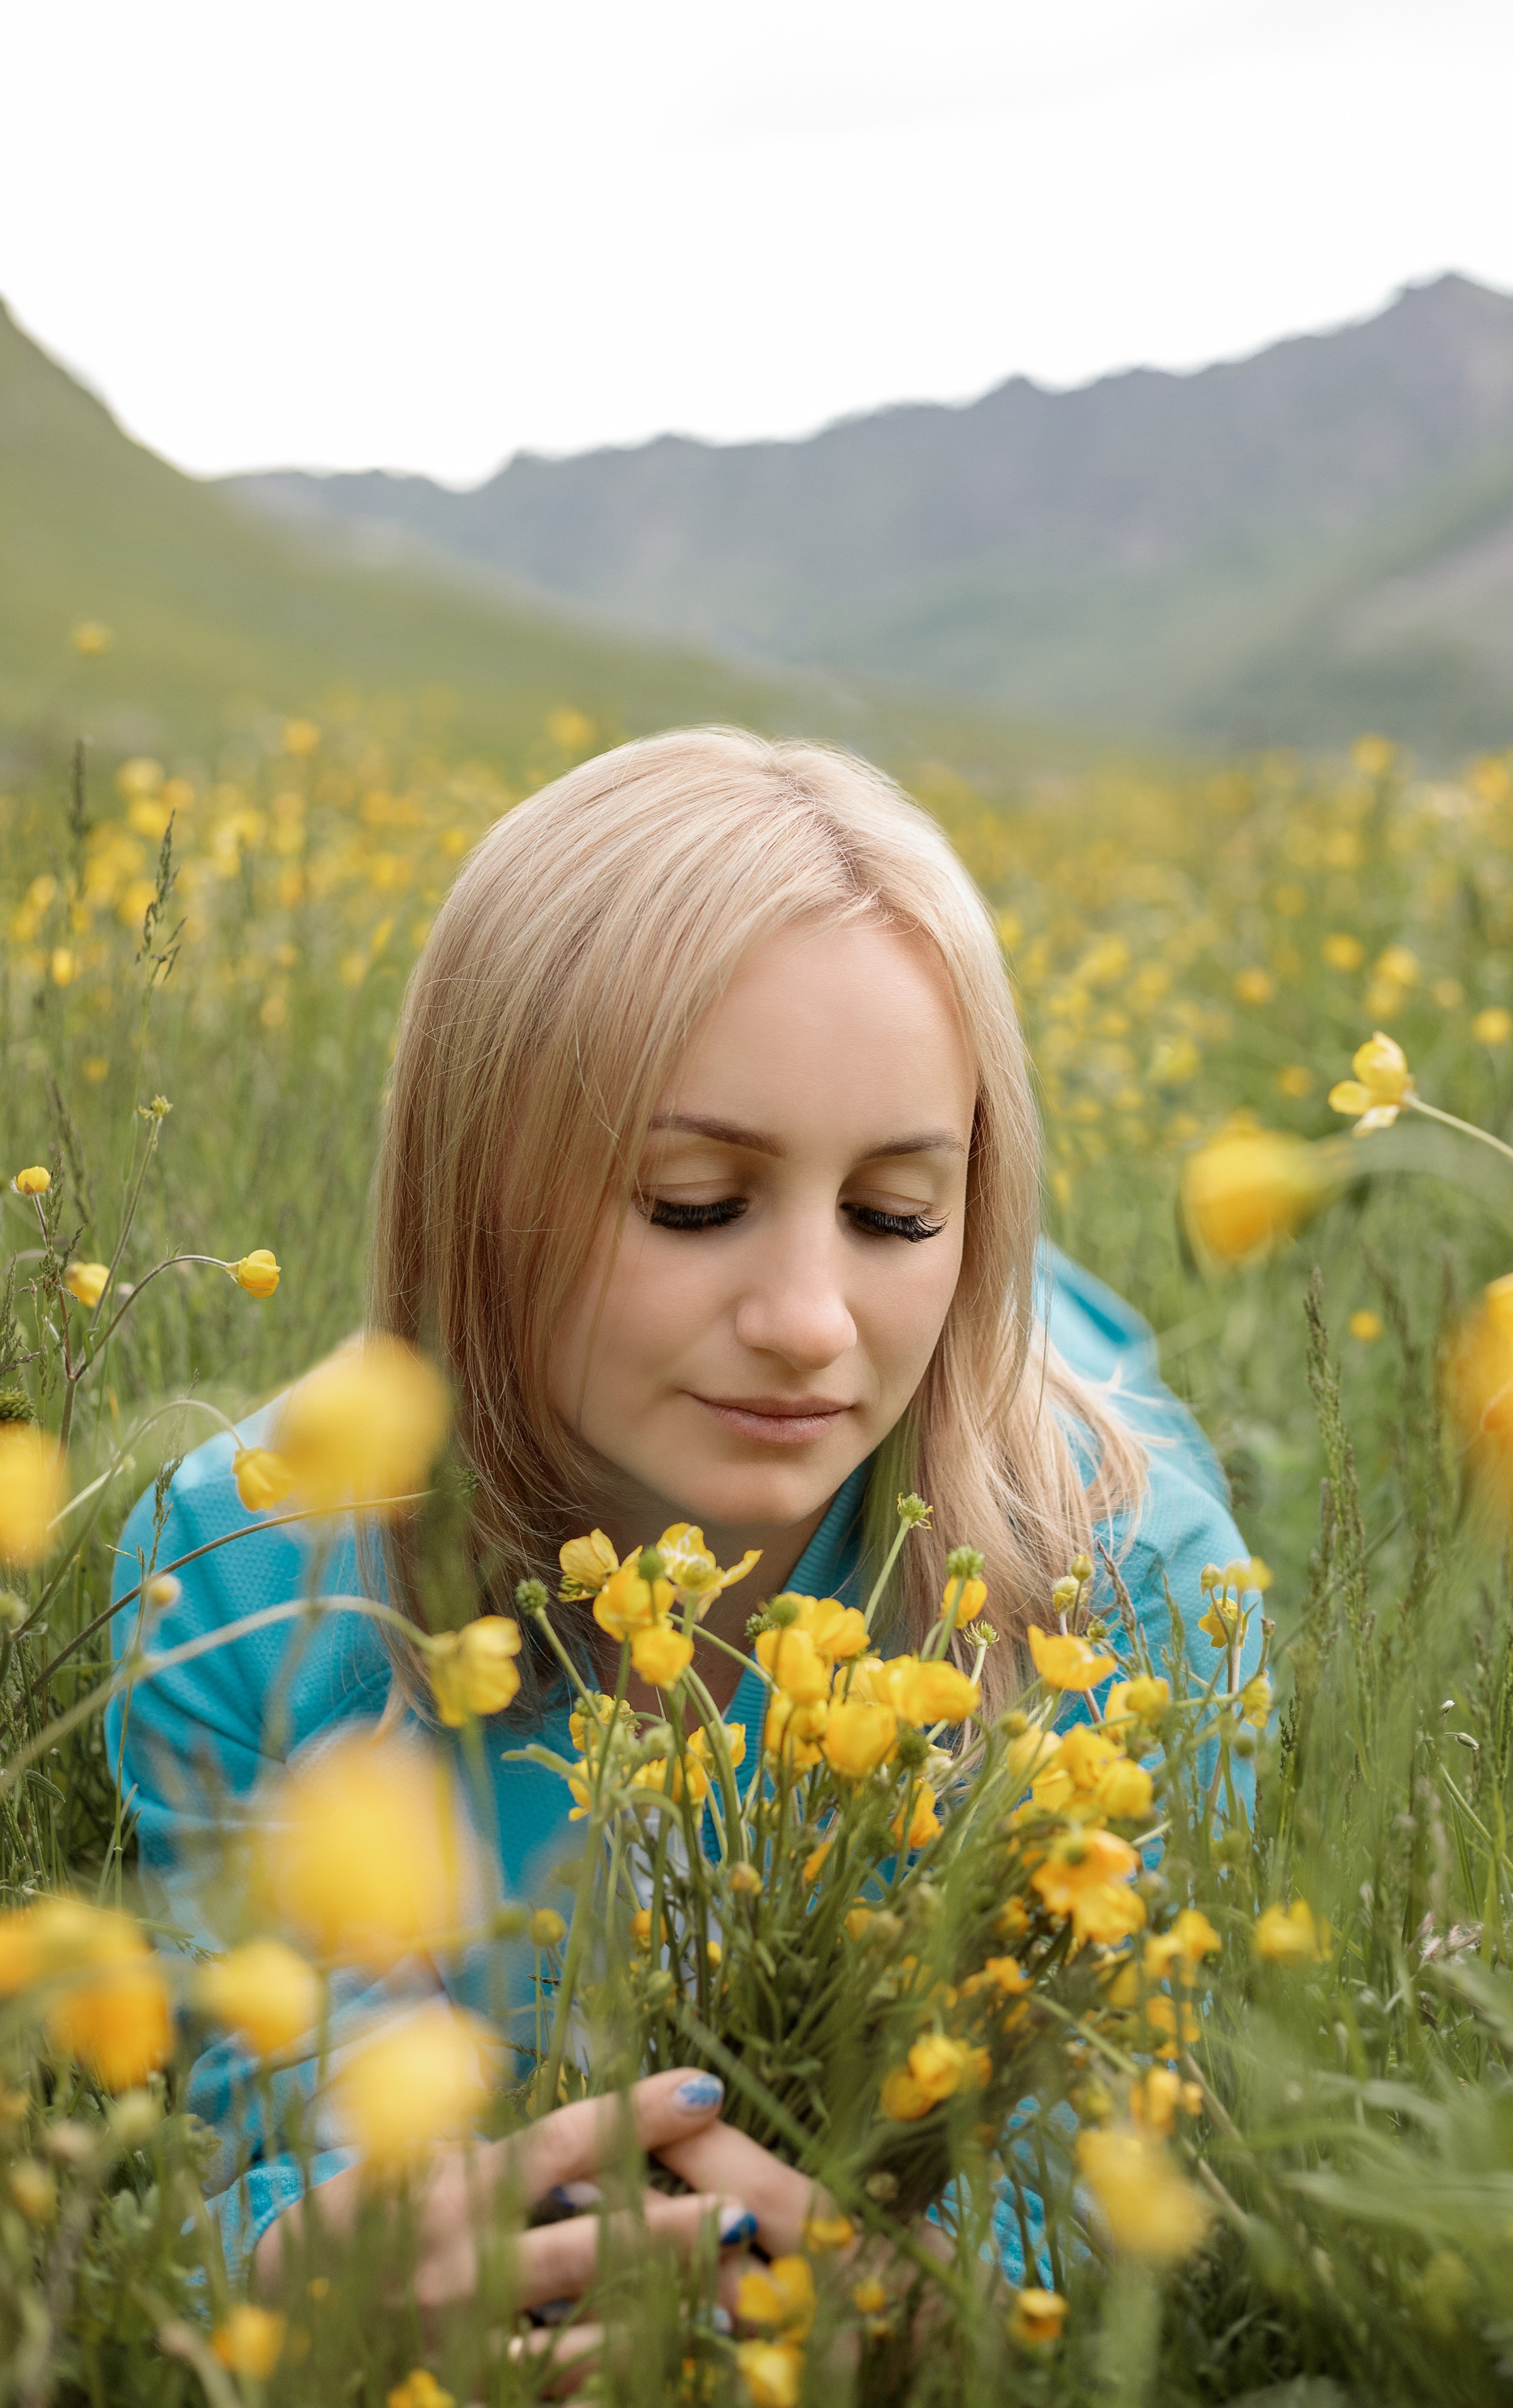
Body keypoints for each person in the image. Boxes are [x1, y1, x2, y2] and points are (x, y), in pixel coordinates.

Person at [107, 727, 1255, 2332]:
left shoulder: (1130, 1589)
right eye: (693, 1204)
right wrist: (336, 2267)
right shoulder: (245, 1587)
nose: (804, 1321)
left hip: (1015, 1425)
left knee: (1061, 1385)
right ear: (469, 1186)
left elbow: (1121, 2176)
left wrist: (947, 2308)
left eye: (898, 1213)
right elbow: (278, 2138)